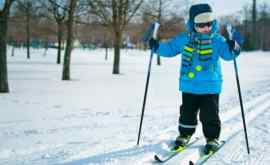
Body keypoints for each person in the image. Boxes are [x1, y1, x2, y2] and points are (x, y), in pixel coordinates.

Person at [149, 3, 241, 154]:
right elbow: (170, 48)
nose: (205, 28)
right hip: (189, 85)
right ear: (193, 24)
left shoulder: (217, 40)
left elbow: (228, 55)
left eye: (209, 24)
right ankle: (185, 134)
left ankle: (212, 138)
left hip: (210, 86)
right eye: (201, 25)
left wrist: (233, 47)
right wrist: (157, 47)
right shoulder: (184, 39)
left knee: (209, 114)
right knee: (187, 112)